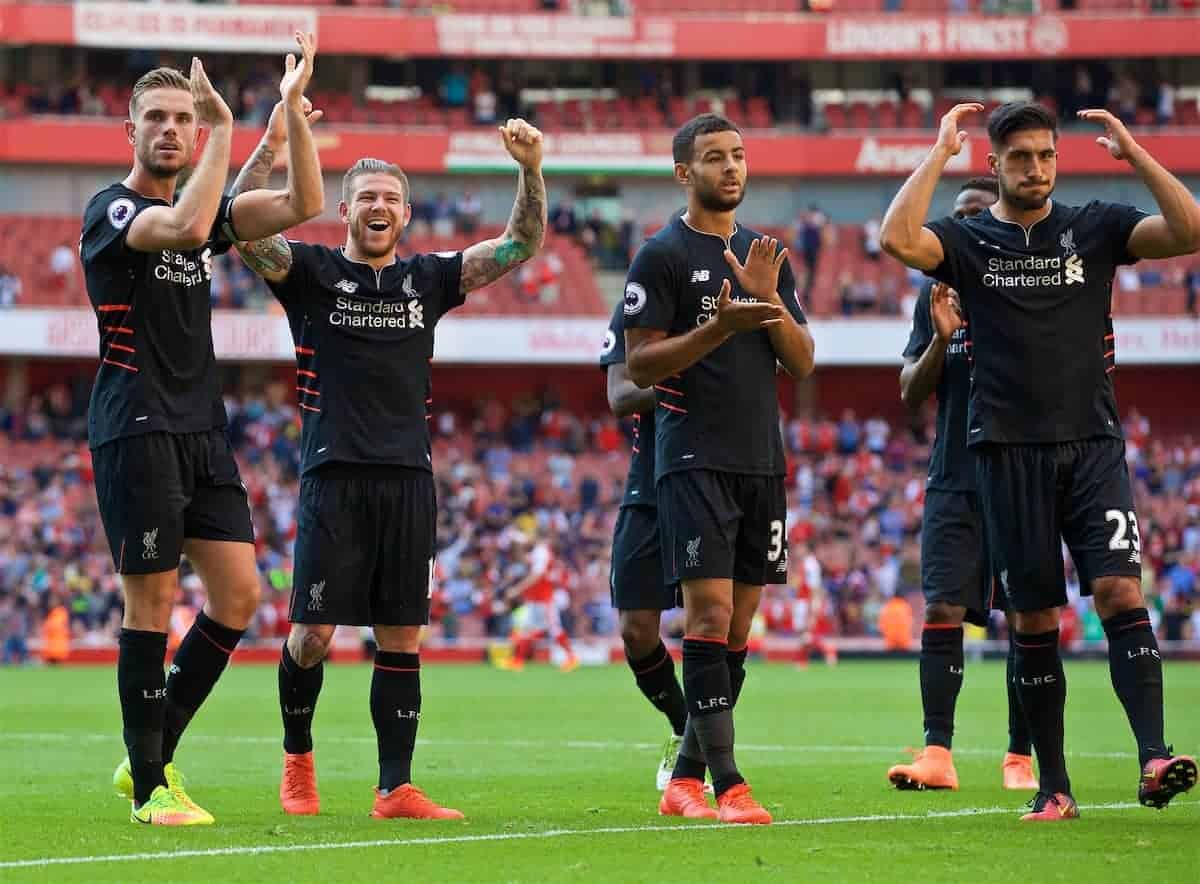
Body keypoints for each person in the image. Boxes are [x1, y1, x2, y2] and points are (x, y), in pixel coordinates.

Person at [880, 99, 1200, 821]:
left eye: (1046, 155)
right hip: (1004, 453)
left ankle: (1154, 755)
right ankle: (1054, 788)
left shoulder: (1095, 227)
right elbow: (896, 237)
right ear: (993, 166)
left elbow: (1189, 228)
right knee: (1034, 620)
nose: (1036, 168)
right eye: (1020, 157)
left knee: (1121, 593)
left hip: (1092, 447)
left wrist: (1135, 150)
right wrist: (939, 151)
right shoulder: (965, 242)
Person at [235, 118, 546, 821]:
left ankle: (394, 787)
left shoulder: (429, 280)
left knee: (401, 637)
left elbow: (522, 243)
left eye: (391, 198)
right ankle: (297, 760)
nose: (379, 207)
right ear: (345, 209)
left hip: (409, 477)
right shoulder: (311, 273)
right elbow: (239, 227)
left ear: (406, 213)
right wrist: (276, 148)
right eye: (366, 196)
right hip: (332, 476)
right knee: (313, 636)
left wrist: (530, 169)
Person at [86, 35, 324, 826]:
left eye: (182, 119)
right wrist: (227, 129)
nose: (169, 129)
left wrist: (288, 115)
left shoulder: (197, 207)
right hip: (137, 428)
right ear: (130, 132)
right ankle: (152, 790)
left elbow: (297, 205)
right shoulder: (115, 211)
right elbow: (188, 227)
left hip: (201, 429)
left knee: (239, 596)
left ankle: (150, 753)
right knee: (149, 601)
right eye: (154, 117)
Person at [624, 113, 815, 824]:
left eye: (737, 155)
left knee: (736, 632)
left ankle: (682, 780)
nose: (731, 167)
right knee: (706, 616)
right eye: (714, 158)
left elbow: (801, 361)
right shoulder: (660, 256)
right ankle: (729, 786)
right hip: (693, 457)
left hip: (762, 462)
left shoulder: (768, 254)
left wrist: (765, 304)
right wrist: (719, 326)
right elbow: (639, 362)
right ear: (685, 173)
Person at [886, 178, 1039, 794]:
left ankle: (1020, 756)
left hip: (1022, 472)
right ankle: (937, 753)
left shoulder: (1032, 289)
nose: (968, 227)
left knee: (1026, 615)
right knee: (944, 605)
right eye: (960, 217)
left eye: (979, 214)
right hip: (954, 477)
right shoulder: (936, 295)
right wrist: (942, 339)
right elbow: (909, 390)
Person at [599, 298, 690, 790]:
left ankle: (704, 745)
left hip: (717, 476)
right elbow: (620, 393)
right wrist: (695, 373)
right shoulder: (639, 305)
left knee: (714, 620)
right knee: (636, 629)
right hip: (651, 481)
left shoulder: (731, 299)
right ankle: (682, 724)